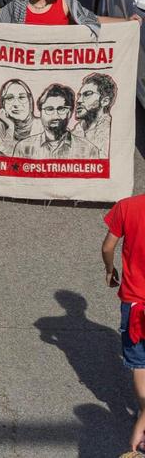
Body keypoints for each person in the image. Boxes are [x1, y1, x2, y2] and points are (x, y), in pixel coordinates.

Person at [102, 187, 145, 452]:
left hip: (134, 301)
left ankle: (143, 412)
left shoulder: (127, 207)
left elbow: (108, 247)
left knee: (140, 361)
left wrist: (110, 270)